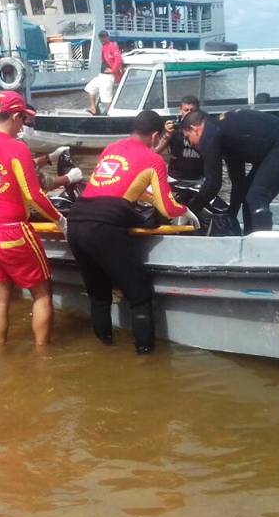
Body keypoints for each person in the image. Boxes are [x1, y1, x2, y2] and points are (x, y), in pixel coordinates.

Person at [66, 111, 199, 354]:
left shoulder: (111, 149)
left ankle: (104, 352)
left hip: (76, 223)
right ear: (156, 135)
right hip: (103, 227)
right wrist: (187, 212)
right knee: (139, 296)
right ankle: (145, 358)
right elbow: (167, 207)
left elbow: (118, 186)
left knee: (99, 295)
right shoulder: (153, 159)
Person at [0, 91, 66, 346]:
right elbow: (33, 195)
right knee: (42, 294)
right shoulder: (16, 148)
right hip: (11, 232)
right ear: (14, 116)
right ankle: (42, 357)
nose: (24, 125)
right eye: (23, 119)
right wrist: (60, 219)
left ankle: (0, 357)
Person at [181, 109, 279, 233]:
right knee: (248, 196)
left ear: (195, 129)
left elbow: (212, 185)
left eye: (187, 137)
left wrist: (189, 210)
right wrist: (231, 214)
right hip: (276, 149)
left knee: (256, 195)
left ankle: (262, 247)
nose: (189, 143)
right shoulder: (224, 135)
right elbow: (239, 184)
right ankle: (249, 239)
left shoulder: (209, 134)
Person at [153, 95, 203, 181]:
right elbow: (155, 151)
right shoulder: (173, 127)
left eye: (192, 110)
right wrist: (167, 135)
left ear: (198, 111)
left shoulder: (204, 127)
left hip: (198, 177)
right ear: (180, 110)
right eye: (186, 110)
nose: (189, 113)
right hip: (175, 177)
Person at [84, 30, 123, 115]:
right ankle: (93, 108)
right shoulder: (104, 46)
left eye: (104, 37)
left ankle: (110, 114)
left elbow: (119, 59)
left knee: (106, 98)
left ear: (107, 37)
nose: (103, 38)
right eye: (101, 37)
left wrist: (113, 70)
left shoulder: (112, 46)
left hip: (108, 77)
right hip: (101, 76)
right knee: (90, 88)